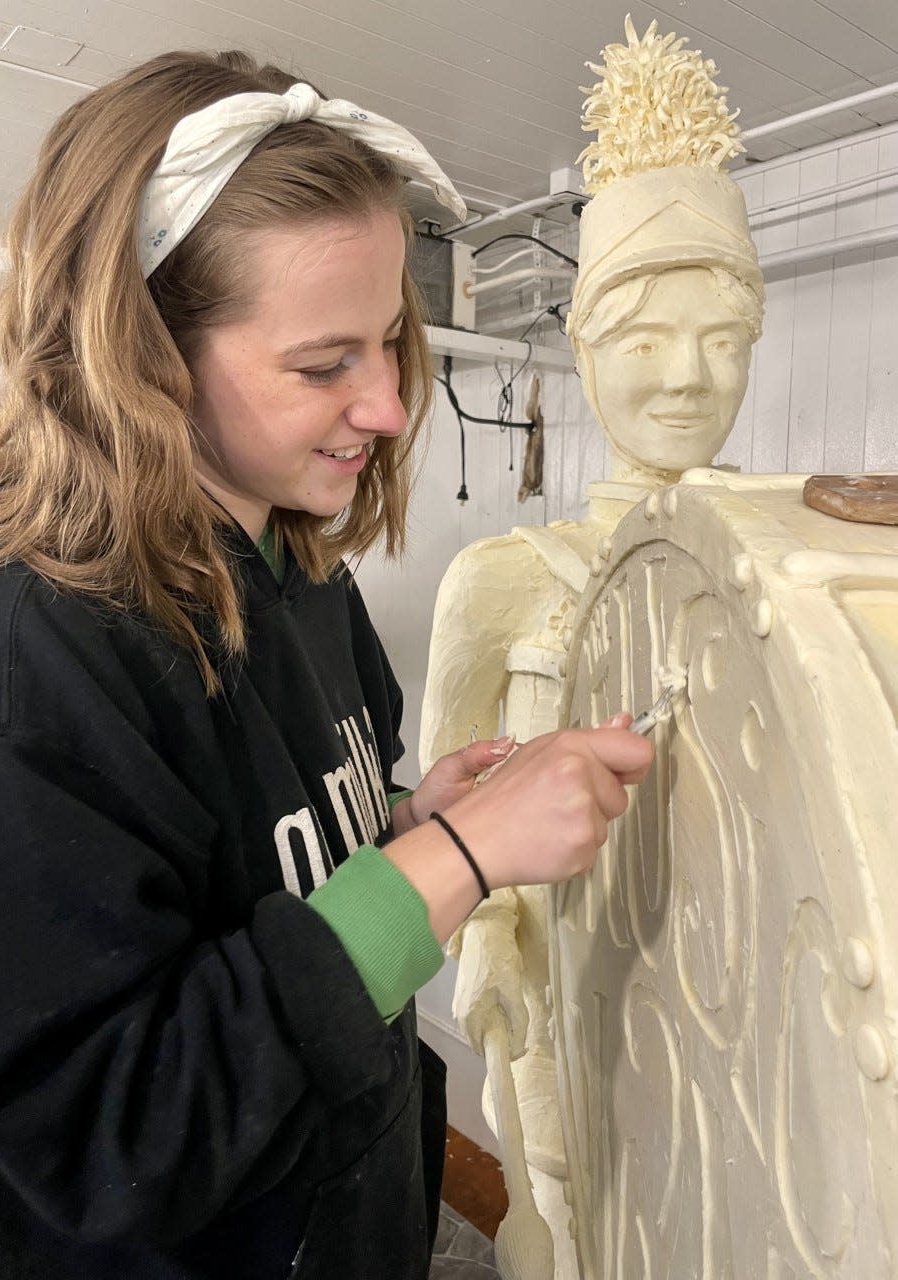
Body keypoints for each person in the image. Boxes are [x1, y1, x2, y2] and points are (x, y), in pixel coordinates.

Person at [0, 50, 653, 1280]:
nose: (385, 406)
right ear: (143, 355)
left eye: (388, 341)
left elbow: (283, 855)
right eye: (325, 364)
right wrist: (461, 857)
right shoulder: (6, 666)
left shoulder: (292, 562)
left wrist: (406, 816)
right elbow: (121, 1134)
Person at [419, 18, 763, 1274]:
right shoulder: (503, 582)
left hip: (727, 1010)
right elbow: (437, 824)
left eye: (724, 339)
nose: (687, 377)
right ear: (582, 349)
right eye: (644, 337)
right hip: (563, 1000)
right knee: (561, 1227)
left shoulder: (774, 581)